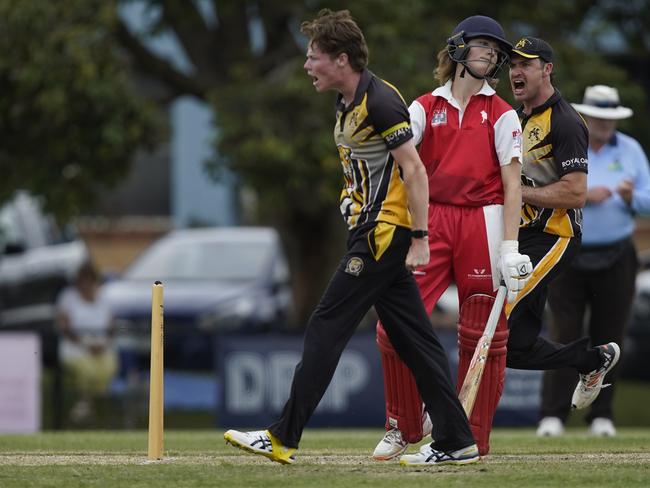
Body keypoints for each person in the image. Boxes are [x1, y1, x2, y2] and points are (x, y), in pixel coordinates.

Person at [223, 9, 479, 467]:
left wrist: (420, 237)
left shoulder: (381, 101)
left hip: (384, 238)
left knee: (325, 327)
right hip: (373, 231)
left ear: (342, 59)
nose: (306, 66)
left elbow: (415, 170)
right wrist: (351, 200)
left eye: (313, 57)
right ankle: (457, 438)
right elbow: (364, 169)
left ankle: (283, 436)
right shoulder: (346, 102)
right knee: (417, 342)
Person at [372, 15, 532, 460]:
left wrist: (510, 246)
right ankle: (404, 424)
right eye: (484, 45)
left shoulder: (501, 114)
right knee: (392, 325)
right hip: (432, 219)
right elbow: (401, 163)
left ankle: (471, 439)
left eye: (496, 50)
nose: (492, 55)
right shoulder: (424, 106)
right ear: (459, 47)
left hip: (484, 218)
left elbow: (513, 184)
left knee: (483, 335)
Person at [505, 37, 621, 426]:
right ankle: (592, 360)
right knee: (514, 348)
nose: (515, 72)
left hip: (555, 237)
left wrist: (516, 191)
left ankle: (450, 420)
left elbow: (576, 193)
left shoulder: (567, 121)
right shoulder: (515, 118)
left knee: (493, 315)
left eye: (525, 64)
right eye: (512, 65)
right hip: (518, 240)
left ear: (547, 69)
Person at [538, 85, 650, 437]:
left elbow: (649, 200)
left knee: (610, 335)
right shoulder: (571, 141)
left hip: (618, 253)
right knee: (563, 333)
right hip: (568, 249)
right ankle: (552, 415)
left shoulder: (631, 149)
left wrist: (634, 198)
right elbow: (548, 190)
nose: (605, 123)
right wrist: (586, 196)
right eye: (600, 117)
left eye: (610, 118)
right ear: (589, 115)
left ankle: (602, 415)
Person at [56, 261, 118, 422]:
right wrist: (85, 344)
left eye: (91, 280)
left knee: (108, 367)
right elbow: (64, 327)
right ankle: (87, 404)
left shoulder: (105, 298)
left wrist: (102, 345)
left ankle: (94, 407)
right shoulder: (68, 297)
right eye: (84, 280)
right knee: (87, 369)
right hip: (75, 347)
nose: (87, 285)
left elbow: (112, 327)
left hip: (102, 347)